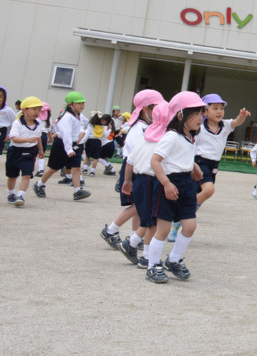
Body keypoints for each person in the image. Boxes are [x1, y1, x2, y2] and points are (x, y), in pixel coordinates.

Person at [145, 91, 206, 283]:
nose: (201, 118)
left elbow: (183, 155)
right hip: (169, 184)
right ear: (180, 115)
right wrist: (166, 183)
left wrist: (194, 167)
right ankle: (152, 266)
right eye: (196, 114)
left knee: (190, 226)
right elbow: (155, 160)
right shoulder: (171, 136)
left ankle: (173, 260)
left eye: (201, 113)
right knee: (163, 230)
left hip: (187, 184)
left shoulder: (190, 136)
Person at [100, 89, 165, 251]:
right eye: (157, 107)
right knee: (139, 205)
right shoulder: (139, 128)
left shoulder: (146, 126)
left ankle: (136, 234)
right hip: (135, 168)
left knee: (139, 205)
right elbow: (135, 153)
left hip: (138, 167)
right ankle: (111, 229)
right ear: (146, 108)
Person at [33, 91, 91, 201]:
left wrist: (81, 132)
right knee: (54, 168)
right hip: (62, 144)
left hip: (75, 144)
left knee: (76, 167)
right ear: (70, 104)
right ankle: (39, 184)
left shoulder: (77, 115)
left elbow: (77, 128)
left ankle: (77, 191)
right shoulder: (67, 117)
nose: (82, 105)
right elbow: (66, 134)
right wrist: (68, 149)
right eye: (79, 103)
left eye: (83, 103)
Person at [194, 93, 250, 206]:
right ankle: (189, 209)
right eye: (215, 108)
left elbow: (236, 122)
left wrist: (242, 116)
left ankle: (186, 206)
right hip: (200, 162)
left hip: (214, 164)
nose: (219, 111)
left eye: (221, 108)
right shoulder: (199, 127)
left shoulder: (225, 125)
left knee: (199, 190)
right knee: (208, 190)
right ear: (205, 112)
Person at [6, 96, 45, 207]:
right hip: (15, 152)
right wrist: (28, 139)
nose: (37, 112)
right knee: (12, 176)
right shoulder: (17, 123)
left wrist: (41, 150)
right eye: (34, 109)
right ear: (24, 110)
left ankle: (20, 196)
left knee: (27, 175)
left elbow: (38, 138)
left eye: (39, 110)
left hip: (30, 152)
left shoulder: (38, 124)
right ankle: (11, 194)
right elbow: (14, 139)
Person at [0, 85, 16, 154]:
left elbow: (15, 122)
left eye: (0, 97)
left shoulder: (7, 110)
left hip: (2, 132)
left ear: (4, 99)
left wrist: (10, 135)